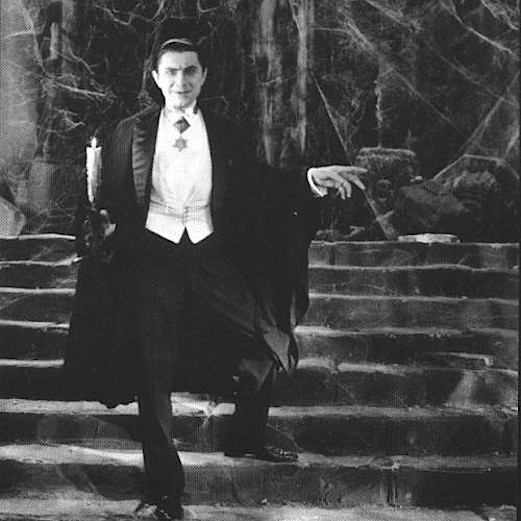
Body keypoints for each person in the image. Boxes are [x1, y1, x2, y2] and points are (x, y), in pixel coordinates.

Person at [67, 19, 366, 521]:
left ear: (203, 77)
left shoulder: (225, 132)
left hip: (209, 254)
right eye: (171, 72)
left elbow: (260, 185)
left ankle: (246, 437)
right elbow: (106, 198)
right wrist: (101, 226)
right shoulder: (128, 132)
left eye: (190, 72)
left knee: (268, 337)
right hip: (154, 259)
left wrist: (309, 180)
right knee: (153, 368)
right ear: (155, 78)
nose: (180, 81)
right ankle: (165, 489)